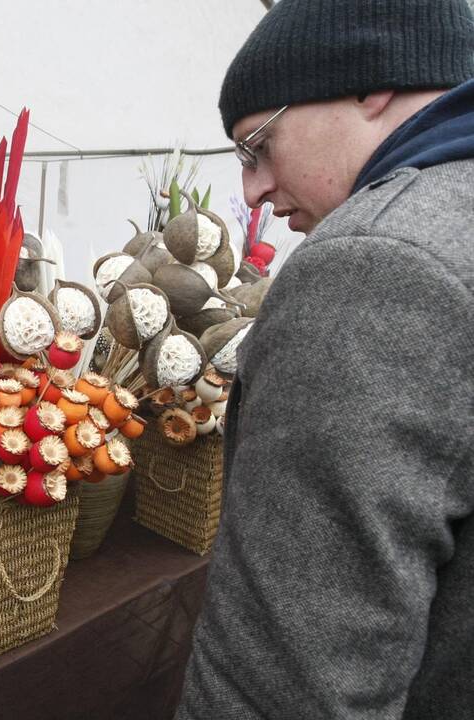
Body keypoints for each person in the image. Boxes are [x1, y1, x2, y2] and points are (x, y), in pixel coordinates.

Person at [178, 1, 474, 718]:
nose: (252, 189)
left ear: (369, 86)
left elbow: (288, 680)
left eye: (258, 146)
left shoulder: (374, 266)